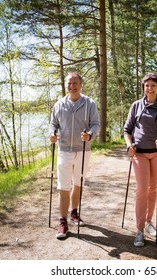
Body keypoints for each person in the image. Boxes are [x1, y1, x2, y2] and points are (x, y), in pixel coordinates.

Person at [124, 72, 157, 247]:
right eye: (147, 85)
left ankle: (148, 223)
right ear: (143, 88)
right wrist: (129, 145)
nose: (149, 88)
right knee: (142, 189)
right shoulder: (136, 105)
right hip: (139, 153)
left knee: (153, 188)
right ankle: (139, 230)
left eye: (153, 85)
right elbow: (127, 129)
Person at [49, 72, 100, 239]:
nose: (72, 86)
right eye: (69, 83)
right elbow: (53, 124)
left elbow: (95, 124)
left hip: (83, 150)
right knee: (63, 187)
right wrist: (52, 134)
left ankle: (74, 212)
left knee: (78, 183)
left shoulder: (89, 103)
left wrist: (90, 135)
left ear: (81, 84)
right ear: (66, 85)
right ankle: (62, 222)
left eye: (75, 83)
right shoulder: (59, 104)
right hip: (64, 149)